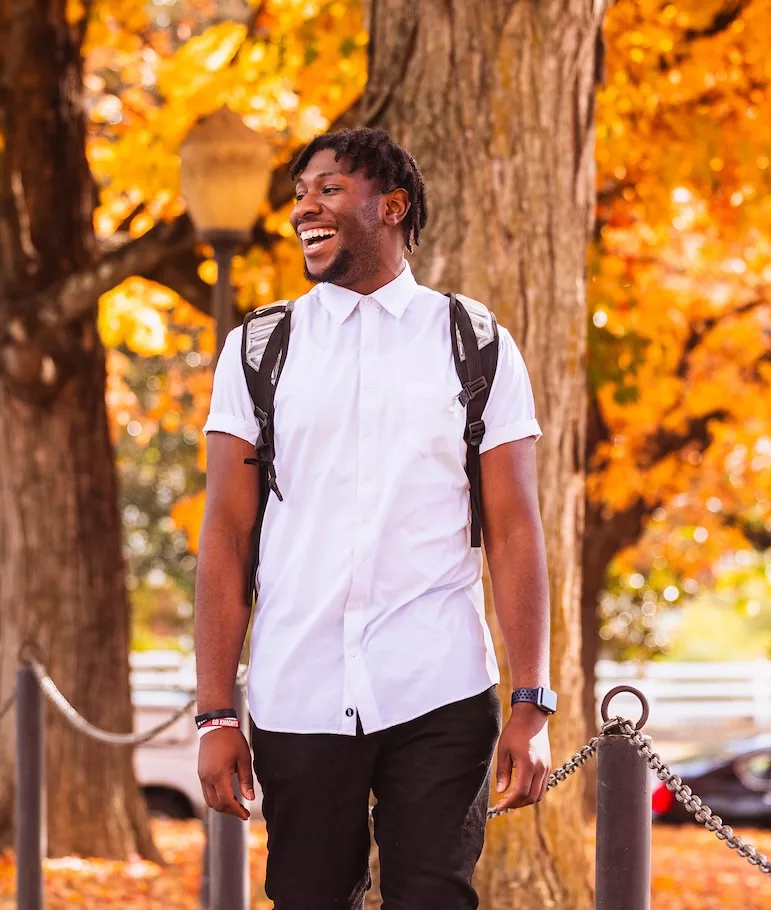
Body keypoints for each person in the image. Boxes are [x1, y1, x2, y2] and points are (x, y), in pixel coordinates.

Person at [194, 126, 556, 910]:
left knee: (434, 897)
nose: (305, 208)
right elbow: (225, 532)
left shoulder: (475, 343)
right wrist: (214, 714)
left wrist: (532, 700)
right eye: (300, 194)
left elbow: (513, 528)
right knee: (309, 898)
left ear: (391, 207)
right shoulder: (258, 350)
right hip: (298, 688)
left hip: (438, 685)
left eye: (328, 189)